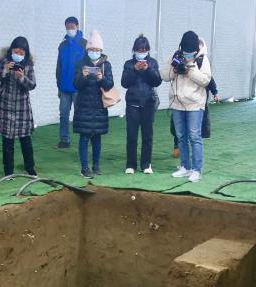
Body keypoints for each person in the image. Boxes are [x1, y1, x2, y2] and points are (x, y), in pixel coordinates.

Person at [161, 30, 212, 183]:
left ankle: (197, 170)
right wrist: (174, 70)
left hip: (195, 105)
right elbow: (163, 75)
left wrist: (190, 68)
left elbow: (206, 80)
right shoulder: (176, 56)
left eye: (190, 52)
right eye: (185, 51)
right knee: (181, 137)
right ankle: (185, 167)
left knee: (194, 137)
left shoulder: (202, 59)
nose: (187, 54)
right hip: (177, 104)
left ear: (196, 50)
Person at [0, 36, 37, 177]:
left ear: (25, 53)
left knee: (26, 140)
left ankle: (30, 168)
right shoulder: (3, 59)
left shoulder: (28, 63)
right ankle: (8, 171)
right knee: (7, 141)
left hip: (22, 108)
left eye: (21, 53)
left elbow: (32, 85)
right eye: (16, 52)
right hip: (5, 105)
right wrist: (5, 70)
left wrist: (22, 78)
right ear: (11, 49)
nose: (18, 55)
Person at [73, 30, 113, 178]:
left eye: (97, 50)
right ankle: (84, 168)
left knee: (97, 138)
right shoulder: (80, 64)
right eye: (92, 49)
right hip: (84, 106)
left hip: (99, 107)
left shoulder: (106, 65)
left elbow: (109, 85)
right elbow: (76, 84)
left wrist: (102, 78)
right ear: (87, 50)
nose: (94, 52)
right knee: (84, 138)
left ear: (101, 51)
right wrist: (83, 77)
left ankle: (96, 166)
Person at [122, 34, 160, 174]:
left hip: (148, 103)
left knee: (147, 135)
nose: (141, 52)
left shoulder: (153, 63)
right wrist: (135, 70)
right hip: (132, 103)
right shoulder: (128, 64)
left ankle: (146, 164)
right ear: (134, 50)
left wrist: (148, 69)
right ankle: (130, 165)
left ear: (148, 50)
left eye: (144, 50)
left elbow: (157, 81)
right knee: (132, 136)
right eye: (139, 49)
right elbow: (124, 83)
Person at [55, 17, 87, 149]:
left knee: (81, 115)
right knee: (63, 115)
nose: (69, 29)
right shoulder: (62, 45)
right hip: (64, 87)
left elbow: (88, 65)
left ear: (77, 26)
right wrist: (58, 85)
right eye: (67, 27)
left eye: (72, 27)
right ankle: (64, 140)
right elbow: (59, 66)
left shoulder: (85, 44)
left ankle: (84, 140)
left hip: (79, 87)